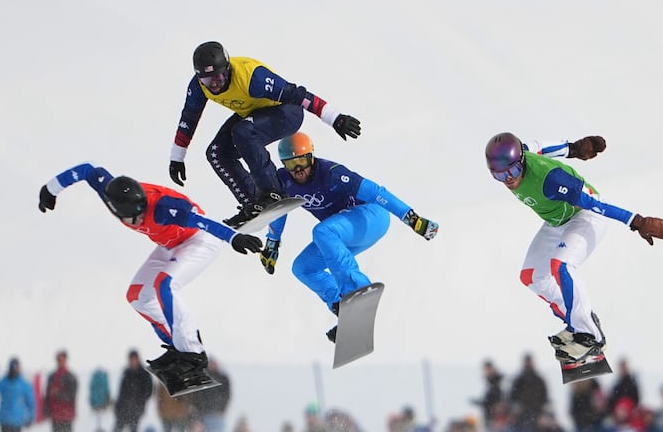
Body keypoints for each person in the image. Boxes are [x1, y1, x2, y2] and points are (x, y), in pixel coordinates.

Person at [38, 162, 262, 395]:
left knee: (165, 285)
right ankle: (177, 345)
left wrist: (234, 238)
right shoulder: (109, 191)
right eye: (133, 219)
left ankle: (193, 354)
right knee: (138, 296)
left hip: (200, 240)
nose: (138, 220)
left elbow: (202, 221)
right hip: (170, 244)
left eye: (140, 215)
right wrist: (50, 189)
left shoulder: (163, 208)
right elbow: (85, 170)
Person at [484, 133, 663, 363]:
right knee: (532, 276)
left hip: (586, 216)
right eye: (499, 176)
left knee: (561, 265)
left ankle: (590, 336)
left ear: (521, 161)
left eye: (512, 172)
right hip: (557, 221)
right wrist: (573, 149)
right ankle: (577, 321)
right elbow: (541, 147)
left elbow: (594, 204)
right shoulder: (523, 152)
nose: (509, 180)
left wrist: (637, 221)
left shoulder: (551, 179)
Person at [259, 132, 438, 341]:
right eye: (291, 164)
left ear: (311, 157)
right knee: (303, 268)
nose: (298, 169)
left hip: (372, 217)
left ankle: (357, 290)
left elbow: (376, 191)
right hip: (342, 232)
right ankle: (343, 309)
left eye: (301, 161)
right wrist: (272, 244)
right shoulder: (283, 182)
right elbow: (280, 210)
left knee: (322, 231)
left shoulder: (331, 173)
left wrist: (412, 218)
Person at [168, 41, 362, 228]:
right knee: (216, 153)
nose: (215, 85)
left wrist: (335, 118)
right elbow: (189, 119)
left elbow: (298, 95)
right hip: (254, 114)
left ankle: (273, 192)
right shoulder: (198, 87)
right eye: (208, 81)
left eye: (219, 78)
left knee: (242, 131)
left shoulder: (253, 77)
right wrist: (177, 157)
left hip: (287, 112)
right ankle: (253, 202)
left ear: (228, 69)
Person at [113, 350, 154, 432]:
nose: (132, 361)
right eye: (131, 359)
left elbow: (148, 391)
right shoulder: (126, 373)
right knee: (117, 429)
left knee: (133, 429)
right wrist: (118, 406)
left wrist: (139, 402)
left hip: (136, 410)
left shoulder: (144, 374)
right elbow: (122, 392)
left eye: (134, 359)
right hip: (123, 409)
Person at [508, 353, 549, 432]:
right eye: (527, 361)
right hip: (521, 417)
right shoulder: (518, 380)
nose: (528, 363)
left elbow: (544, 398)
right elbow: (511, 398)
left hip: (536, 415)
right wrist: (515, 409)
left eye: (529, 361)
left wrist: (542, 413)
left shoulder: (539, 380)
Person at [189, 357, 230, 432]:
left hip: (216, 413)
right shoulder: (201, 377)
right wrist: (195, 414)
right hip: (201, 413)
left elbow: (226, 395)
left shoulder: (223, 378)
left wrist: (222, 409)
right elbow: (195, 395)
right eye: (210, 363)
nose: (212, 365)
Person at [0, 357, 36, 432]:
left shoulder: (23, 384)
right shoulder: (3, 382)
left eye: (15, 367)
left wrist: (31, 417)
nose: (13, 369)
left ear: (19, 368)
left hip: (16, 421)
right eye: (12, 367)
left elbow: (31, 402)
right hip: (4, 420)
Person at [44, 350, 78, 432]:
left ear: (66, 360)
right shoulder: (52, 376)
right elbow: (47, 396)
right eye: (58, 360)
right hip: (55, 415)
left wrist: (57, 394)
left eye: (62, 360)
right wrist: (46, 410)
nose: (60, 362)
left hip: (66, 415)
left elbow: (72, 395)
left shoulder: (71, 377)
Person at [89, 367, 111, 432]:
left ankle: (99, 429)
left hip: (97, 402)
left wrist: (92, 402)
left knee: (99, 417)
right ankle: (99, 429)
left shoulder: (94, 378)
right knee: (101, 417)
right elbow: (107, 390)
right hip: (102, 402)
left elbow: (92, 390)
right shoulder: (104, 377)